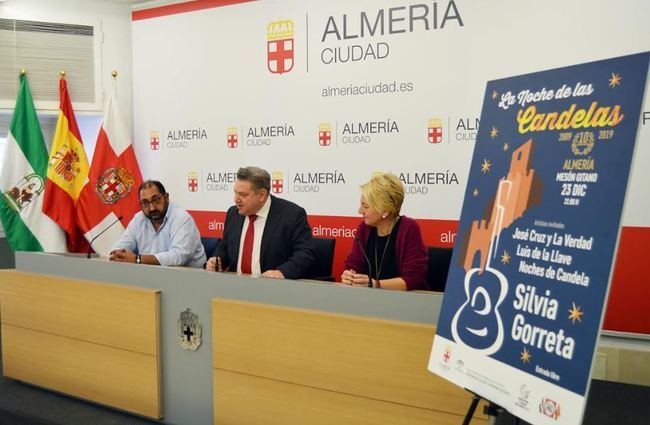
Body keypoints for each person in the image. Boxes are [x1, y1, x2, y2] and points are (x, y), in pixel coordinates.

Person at [206, 166, 314, 279]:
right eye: (235, 193)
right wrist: (217, 261)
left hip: (274, 289)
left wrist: (282, 272)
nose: (236, 199)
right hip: (236, 287)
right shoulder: (233, 213)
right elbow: (224, 248)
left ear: (262, 195)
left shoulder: (292, 215)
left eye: (243, 195)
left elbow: (305, 253)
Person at [341, 173, 428, 290]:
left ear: (385, 210)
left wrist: (376, 284)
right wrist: (349, 276)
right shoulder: (364, 228)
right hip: (367, 299)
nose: (359, 210)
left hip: (405, 301)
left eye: (366, 207)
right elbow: (352, 265)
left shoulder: (409, 228)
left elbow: (412, 279)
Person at [109, 180, 206, 267]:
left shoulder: (182, 219)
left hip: (189, 278)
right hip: (151, 276)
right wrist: (118, 254)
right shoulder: (139, 219)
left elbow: (178, 257)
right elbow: (123, 245)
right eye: (145, 203)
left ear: (166, 197)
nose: (152, 208)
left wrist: (137, 259)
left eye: (155, 200)